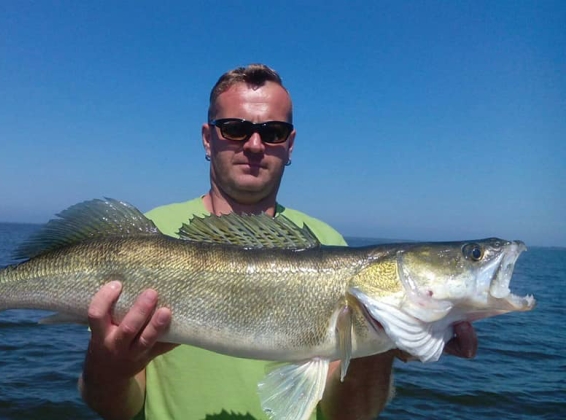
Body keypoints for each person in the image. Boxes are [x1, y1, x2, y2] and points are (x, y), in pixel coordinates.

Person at [78, 64, 478, 420]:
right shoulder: (144, 237)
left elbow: (349, 415)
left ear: (290, 145)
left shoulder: (329, 244)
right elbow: (113, 408)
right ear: (207, 139)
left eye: (273, 132)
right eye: (234, 129)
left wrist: (384, 341)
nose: (254, 145)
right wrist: (107, 367)